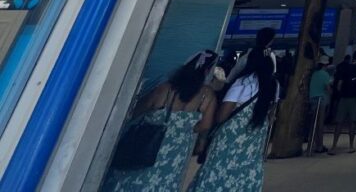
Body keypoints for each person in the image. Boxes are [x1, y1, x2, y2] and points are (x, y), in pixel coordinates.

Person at [102, 50, 218, 192]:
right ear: (207, 72)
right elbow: (205, 126)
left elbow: (133, 112)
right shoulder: (207, 96)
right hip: (175, 156)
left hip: (144, 148)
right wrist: (186, 130)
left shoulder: (165, 89)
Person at [188, 48, 278, 192]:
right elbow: (272, 114)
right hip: (253, 143)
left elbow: (222, 116)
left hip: (230, 141)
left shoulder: (243, 83)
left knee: (217, 175)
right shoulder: (273, 87)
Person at [331, 50, 356, 153]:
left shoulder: (346, 67)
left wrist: (340, 92)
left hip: (344, 97)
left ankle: (334, 145)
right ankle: (351, 145)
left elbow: (339, 84)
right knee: (353, 122)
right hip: (355, 97)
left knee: (339, 122)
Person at [308, 55, 332, 154]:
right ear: (326, 64)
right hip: (321, 100)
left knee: (313, 123)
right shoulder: (325, 75)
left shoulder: (314, 74)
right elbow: (328, 88)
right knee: (320, 124)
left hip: (312, 99)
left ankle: (312, 144)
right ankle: (320, 146)